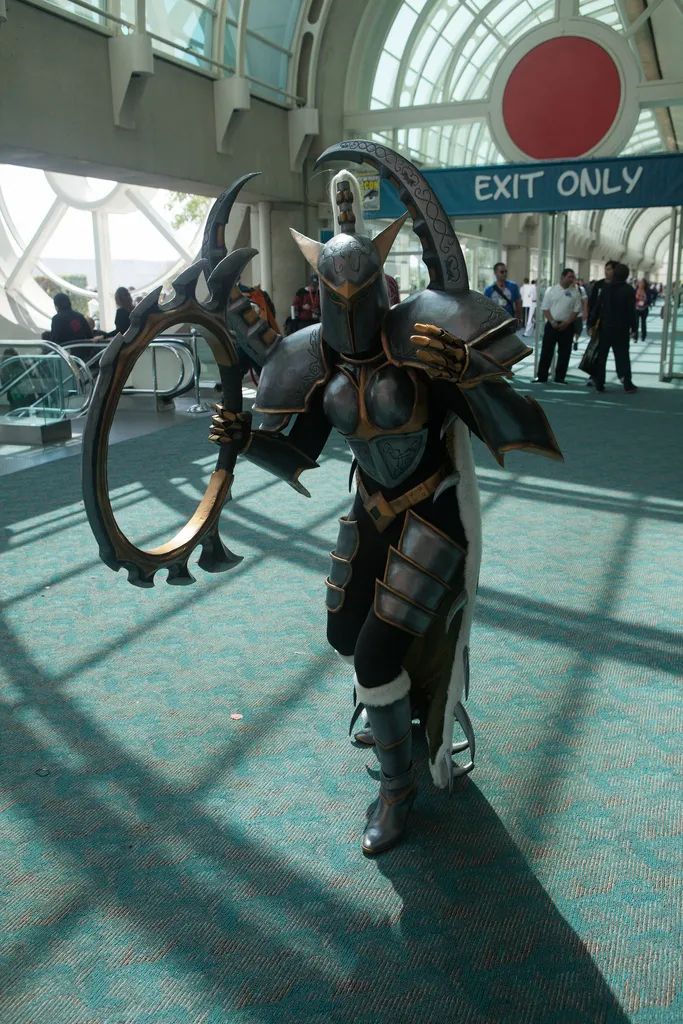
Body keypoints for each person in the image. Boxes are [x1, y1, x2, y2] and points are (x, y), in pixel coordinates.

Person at [201, 149, 563, 856]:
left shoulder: (424, 339)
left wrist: (469, 373)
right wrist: (246, 439)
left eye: (358, 291)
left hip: (432, 512)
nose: (348, 307)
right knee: (345, 635)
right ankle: (399, 704)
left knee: (371, 656)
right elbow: (298, 451)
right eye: (333, 293)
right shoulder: (314, 359)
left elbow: (512, 422)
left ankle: (398, 790)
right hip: (370, 506)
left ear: (381, 286)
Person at [587, 263, 637, 394]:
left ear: (614, 274)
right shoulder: (629, 290)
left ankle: (599, 384)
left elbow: (597, 307)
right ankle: (627, 384)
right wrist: (634, 328)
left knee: (601, 356)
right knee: (623, 356)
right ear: (626, 275)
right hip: (621, 328)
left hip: (605, 327)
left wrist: (591, 323)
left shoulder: (606, 289)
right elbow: (631, 312)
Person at [532, 268, 582, 384]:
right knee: (546, 351)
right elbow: (545, 308)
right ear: (562, 277)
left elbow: (576, 310)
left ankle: (560, 377)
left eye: (572, 277)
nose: (571, 279)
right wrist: (552, 321)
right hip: (552, 325)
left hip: (567, 326)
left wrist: (567, 322)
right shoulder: (551, 290)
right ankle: (542, 376)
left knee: (564, 353)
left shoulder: (575, 292)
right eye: (569, 277)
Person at [573, 278, 588, 350]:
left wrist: (585, 312)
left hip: (578, 314)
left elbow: (585, 301)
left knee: (578, 330)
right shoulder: (565, 289)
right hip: (567, 315)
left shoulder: (580, 289)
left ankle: (575, 341)